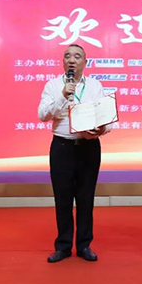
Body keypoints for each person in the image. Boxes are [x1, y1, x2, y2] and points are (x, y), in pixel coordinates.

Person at [38, 44, 109, 263]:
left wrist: (101, 129)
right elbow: (43, 114)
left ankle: (84, 245)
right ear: (63, 62)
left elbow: (106, 117)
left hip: (89, 147)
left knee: (86, 198)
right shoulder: (53, 85)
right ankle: (63, 246)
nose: (71, 60)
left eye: (77, 56)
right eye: (67, 56)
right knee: (63, 198)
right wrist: (62, 95)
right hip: (62, 148)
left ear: (85, 62)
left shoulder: (95, 86)